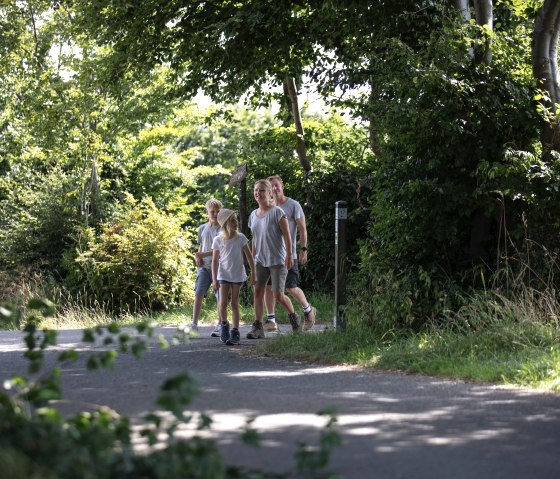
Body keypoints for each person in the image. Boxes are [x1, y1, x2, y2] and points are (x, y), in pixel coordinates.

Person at [247, 179, 300, 339]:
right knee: (257, 292)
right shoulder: (253, 215)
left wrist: (290, 255)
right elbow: (255, 239)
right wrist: (254, 262)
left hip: (278, 260)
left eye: (262, 190)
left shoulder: (277, 212)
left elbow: (287, 235)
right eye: (256, 190)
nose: (258, 193)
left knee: (278, 295)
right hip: (261, 261)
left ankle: (294, 318)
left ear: (270, 193)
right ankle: (258, 327)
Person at [263, 175, 316, 332]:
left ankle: (308, 310)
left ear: (282, 186)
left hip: (289, 254)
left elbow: (302, 228)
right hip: (271, 256)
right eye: (270, 186)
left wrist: (303, 249)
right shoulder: (267, 206)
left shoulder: (293, 205)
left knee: (291, 287)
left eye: (276, 185)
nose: (274, 188)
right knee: (269, 288)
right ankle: (271, 319)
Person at [211, 208, 255, 345]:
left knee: (234, 303)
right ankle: (224, 325)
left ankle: (235, 332)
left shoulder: (241, 238)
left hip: (237, 274)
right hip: (223, 274)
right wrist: (214, 279)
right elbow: (214, 261)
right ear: (225, 224)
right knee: (222, 303)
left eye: (236, 219)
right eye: (232, 220)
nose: (235, 222)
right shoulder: (218, 240)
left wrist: (254, 273)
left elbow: (249, 257)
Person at [190, 198, 223, 336]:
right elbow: (200, 248)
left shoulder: (222, 228)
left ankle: (221, 324)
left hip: (219, 267)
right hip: (204, 267)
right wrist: (198, 257)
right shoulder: (202, 228)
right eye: (212, 212)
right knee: (198, 293)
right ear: (207, 212)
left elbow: (221, 249)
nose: (215, 214)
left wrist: (202, 254)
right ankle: (194, 324)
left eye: (217, 212)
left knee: (219, 296)